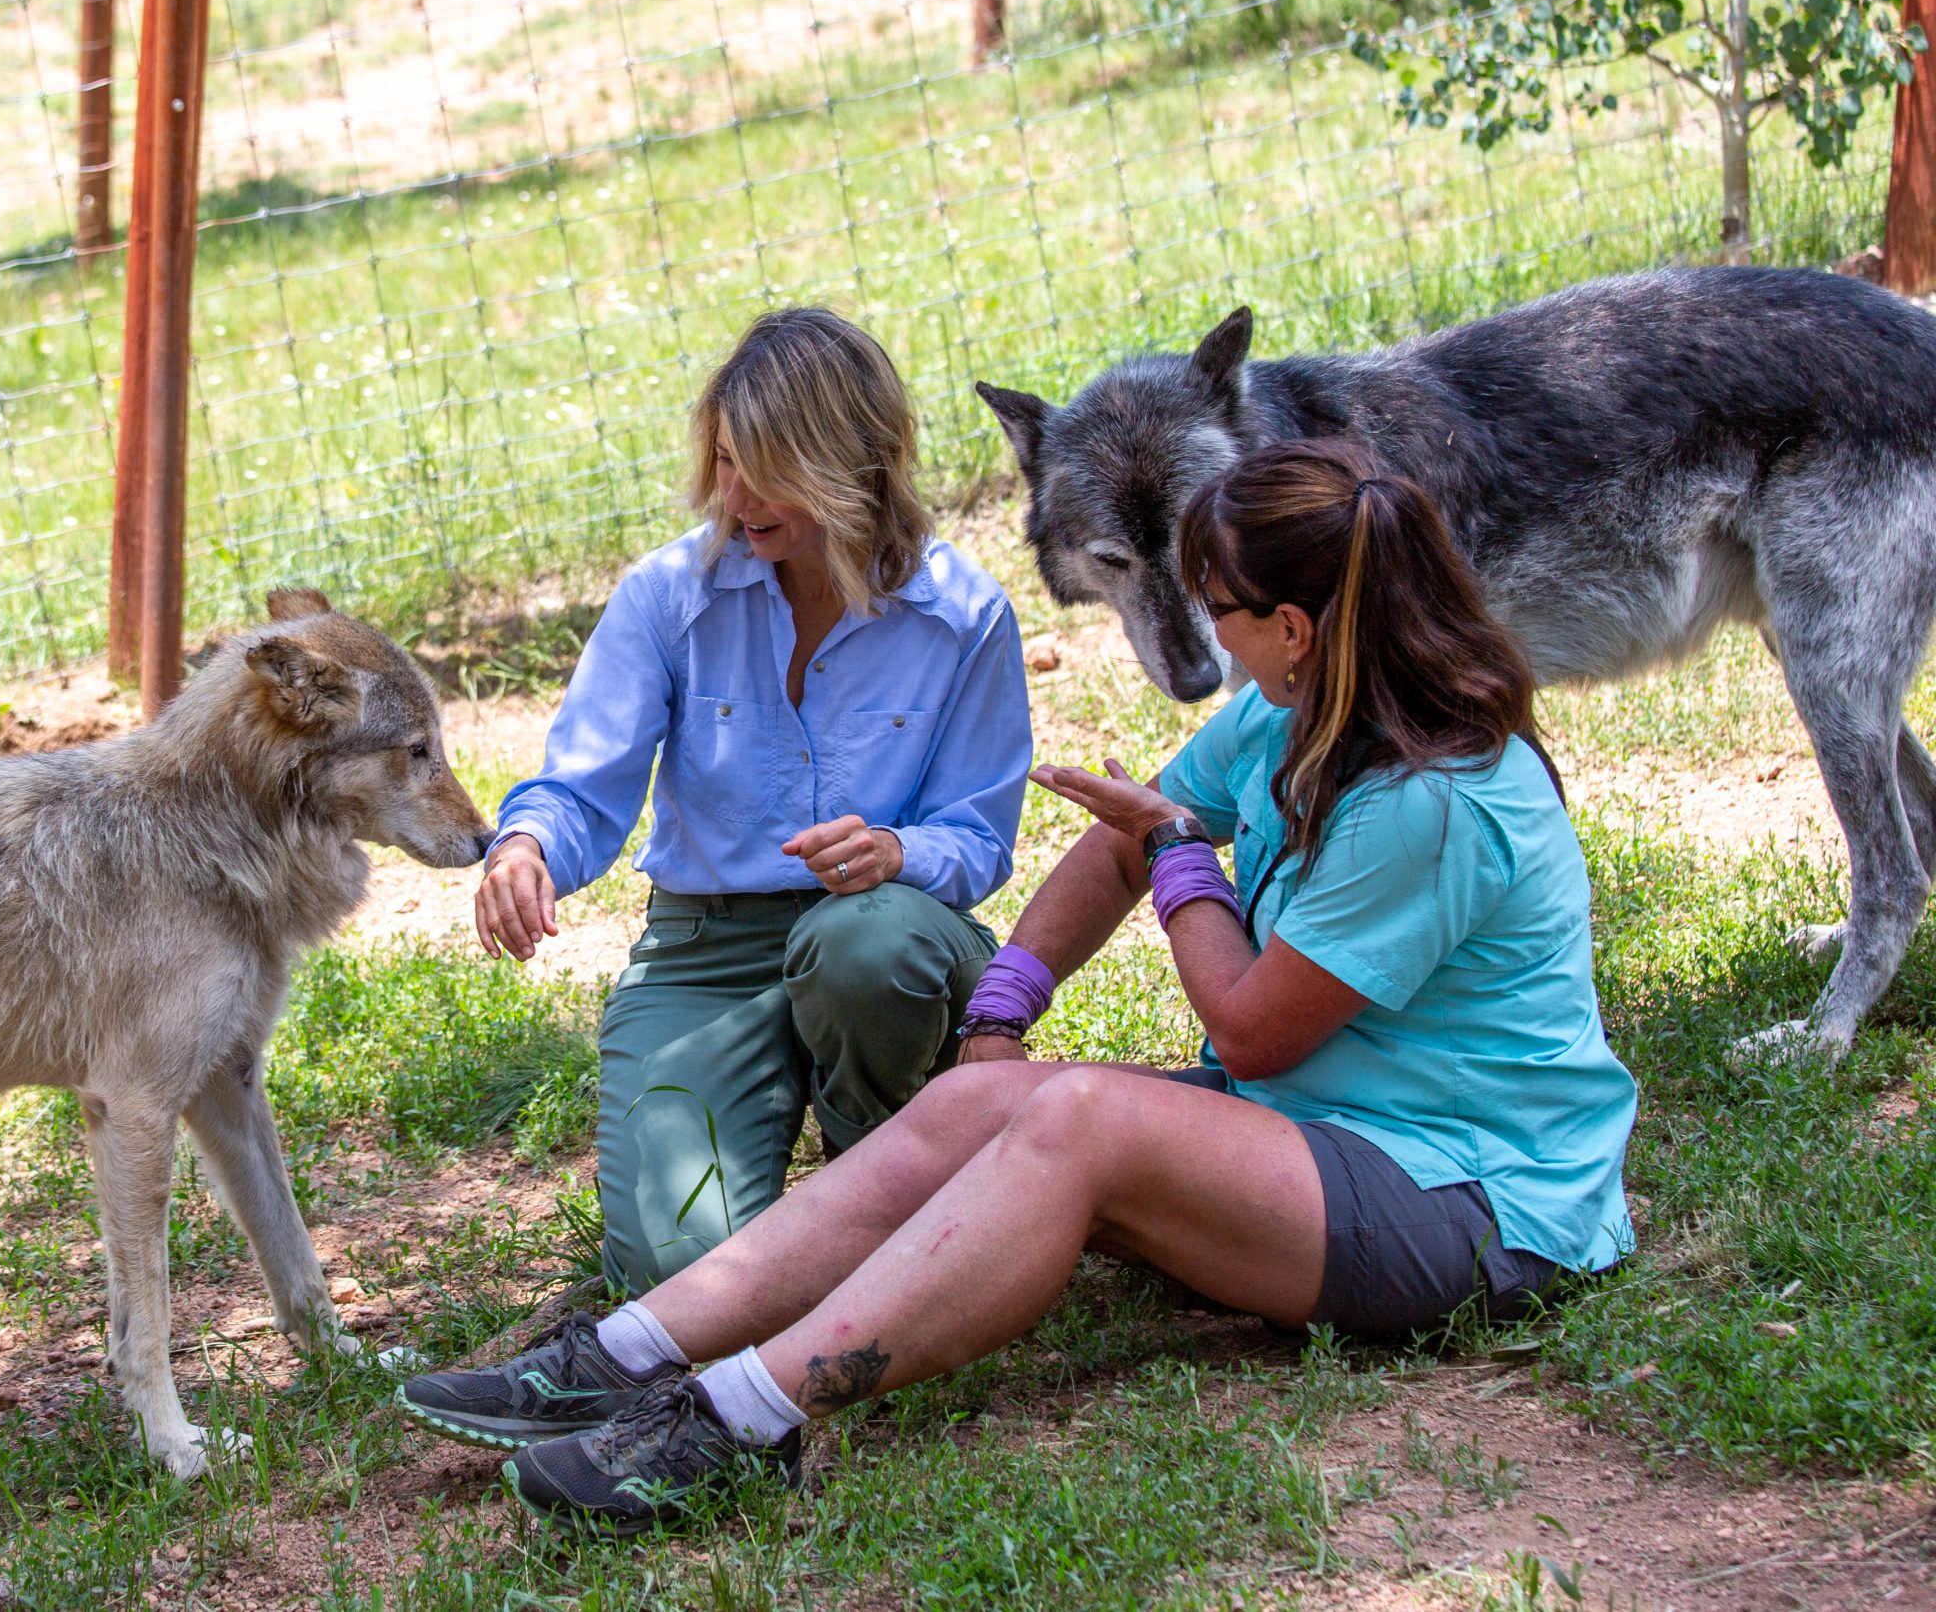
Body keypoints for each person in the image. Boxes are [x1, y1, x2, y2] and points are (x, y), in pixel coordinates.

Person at [404, 438, 1637, 1535]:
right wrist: (1001, 1012)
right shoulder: (1294, 713)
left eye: (1221, 612)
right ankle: (616, 1356)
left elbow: (1249, 1026)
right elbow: (1116, 839)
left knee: (1078, 1118)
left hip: (1473, 1202)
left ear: (1296, 627)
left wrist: (1179, 859)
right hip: (1326, 1146)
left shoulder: (1431, 800)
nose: (1209, 636)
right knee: (975, 1104)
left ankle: (736, 1420)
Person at [473, 306, 1032, 1296]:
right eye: (726, 459)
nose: (737, 494)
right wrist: (526, 846)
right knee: (678, 1273)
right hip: (708, 953)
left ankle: (881, 1169)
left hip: (879, 939)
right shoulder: (667, 595)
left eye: (769, 467)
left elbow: (978, 837)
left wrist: (899, 856)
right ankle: (789, 1203)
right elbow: (582, 780)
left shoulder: (966, 616)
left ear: (856, 461)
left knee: (868, 948)